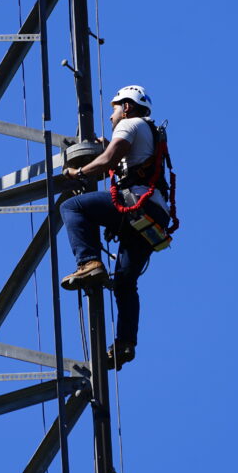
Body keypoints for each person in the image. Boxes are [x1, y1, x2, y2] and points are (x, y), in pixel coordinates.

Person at [59, 85, 172, 370]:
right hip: (153, 216)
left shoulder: (131, 124)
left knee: (72, 207)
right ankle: (125, 344)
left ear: (127, 107)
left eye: (114, 109)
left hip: (136, 204)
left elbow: (109, 159)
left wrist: (79, 172)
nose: (111, 117)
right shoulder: (146, 129)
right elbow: (119, 161)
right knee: (124, 283)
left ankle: (88, 263)